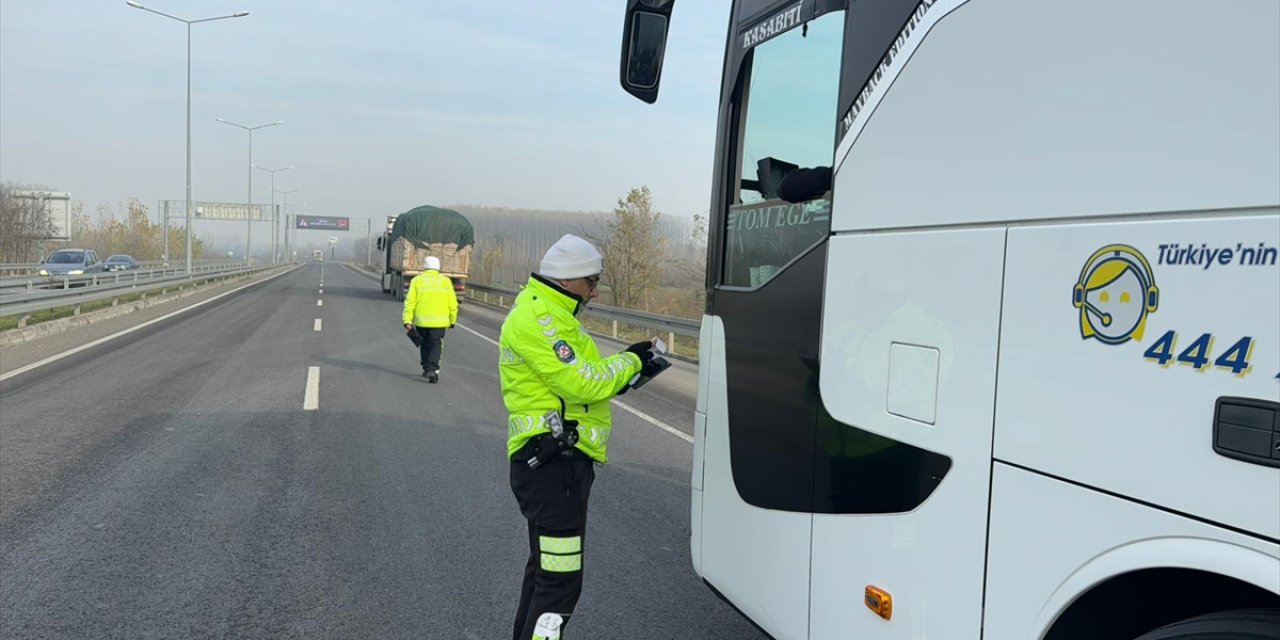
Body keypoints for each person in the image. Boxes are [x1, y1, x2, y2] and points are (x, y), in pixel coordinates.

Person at [498, 234, 662, 640]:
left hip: (555, 462)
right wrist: (630, 360)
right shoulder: (540, 319)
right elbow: (583, 384)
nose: (595, 291)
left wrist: (627, 371)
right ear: (570, 281)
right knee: (559, 584)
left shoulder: (556, 317)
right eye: (592, 283)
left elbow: (582, 387)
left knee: (545, 575)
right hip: (553, 464)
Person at [402, 255, 458, 382]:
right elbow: (452, 303)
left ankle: (427, 368)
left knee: (424, 344)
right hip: (439, 323)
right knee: (435, 344)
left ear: (424, 267)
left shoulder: (417, 281)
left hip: (422, 321)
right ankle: (432, 369)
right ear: (438, 267)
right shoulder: (445, 281)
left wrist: (407, 320)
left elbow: (410, 302)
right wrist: (452, 320)